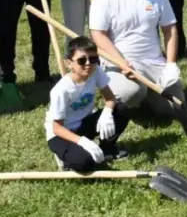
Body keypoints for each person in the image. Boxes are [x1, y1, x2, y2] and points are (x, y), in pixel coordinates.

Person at [88, 0, 187, 123]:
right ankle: (125, 97)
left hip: (154, 62)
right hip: (120, 63)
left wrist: (171, 64)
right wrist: (121, 62)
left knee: (173, 111)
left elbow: (170, 29)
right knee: (131, 93)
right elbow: (98, 34)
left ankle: (149, 96)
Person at [45, 36, 130, 172]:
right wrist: (82, 142)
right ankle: (66, 158)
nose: (88, 63)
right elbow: (57, 128)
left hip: (83, 124)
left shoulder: (96, 71)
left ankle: (107, 149)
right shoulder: (61, 90)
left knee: (121, 109)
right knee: (85, 163)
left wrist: (107, 113)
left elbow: (110, 98)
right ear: (69, 63)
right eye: (82, 60)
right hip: (61, 135)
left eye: (93, 59)